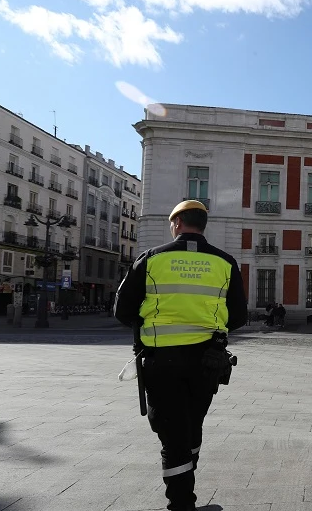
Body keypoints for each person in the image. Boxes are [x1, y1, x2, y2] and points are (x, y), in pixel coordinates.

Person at [114, 200, 248, 511]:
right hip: (207, 361)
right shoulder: (225, 262)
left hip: (162, 360)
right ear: (203, 225)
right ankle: (188, 476)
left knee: (172, 434)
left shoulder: (151, 259)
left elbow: (123, 310)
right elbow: (239, 316)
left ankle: (181, 503)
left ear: (176, 223)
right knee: (193, 422)